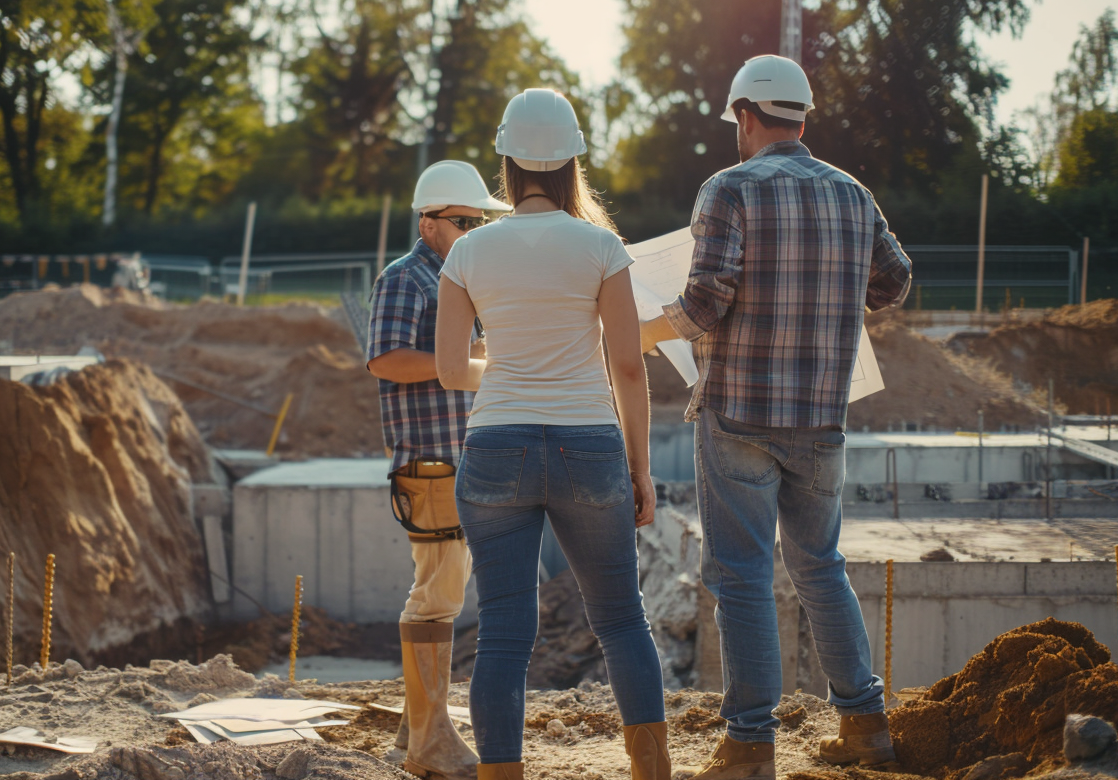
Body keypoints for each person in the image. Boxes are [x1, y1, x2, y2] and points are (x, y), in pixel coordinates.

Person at [640, 55, 913, 780]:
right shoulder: (853, 193)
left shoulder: (729, 189)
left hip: (740, 416)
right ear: (801, 118)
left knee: (740, 576)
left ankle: (750, 744)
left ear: (745, 115)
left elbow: (705, 303)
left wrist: (634, 333)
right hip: (821, 418)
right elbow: (896, 279)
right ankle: (865, 725)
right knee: (822, 567)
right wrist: (834, 296)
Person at [435, 89, 668, 780]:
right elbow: (626, 365)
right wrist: (640, 468)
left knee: (504, 632)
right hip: (588, 447)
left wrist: (511, 371)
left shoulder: (469, 251)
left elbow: (451, 370)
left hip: (495, 447)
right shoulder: (601, 246)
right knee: (622, 622)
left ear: (505, 163)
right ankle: (652, 771)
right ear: (572, 164)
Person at [367, 159, 513, 780]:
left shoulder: (460, 280)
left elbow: (466, 361)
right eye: (463, 221)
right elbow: (386, 360)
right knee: (438, 594)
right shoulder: (408, 280)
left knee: (438, 588)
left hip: (457, 456)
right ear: (429, 223)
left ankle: (415, 727)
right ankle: (428, 741)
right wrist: (456, 359)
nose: (474, 231)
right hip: (429, 461)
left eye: (479, 222)